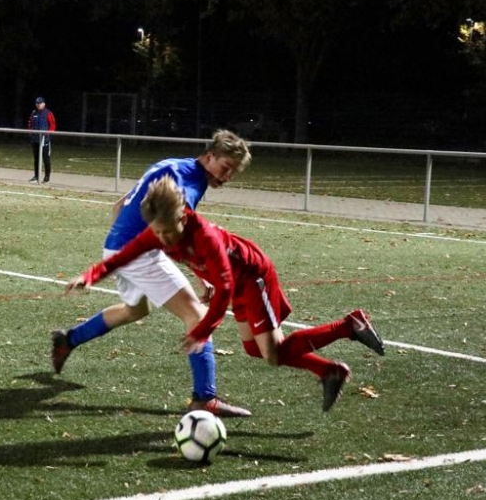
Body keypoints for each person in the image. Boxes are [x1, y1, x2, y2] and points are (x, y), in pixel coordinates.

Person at [66, 176, 386, 412]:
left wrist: (202, 331)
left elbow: (226, 290)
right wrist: (90, 276)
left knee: (272, 353)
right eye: (157, 232)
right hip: (234, 282)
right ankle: (329, 370)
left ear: (182, 217)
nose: (162, 239)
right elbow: (124, 256)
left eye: (167, 232)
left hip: (253, 279)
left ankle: (348, 327)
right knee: (254, 349)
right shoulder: (160, 231)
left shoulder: (206, 239)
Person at [50, 129, 252, 417]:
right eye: (226, 167)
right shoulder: (188, 182)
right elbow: (177, 232)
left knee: (135, 311)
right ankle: (204, 398)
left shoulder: (172, 165)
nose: (228, 176)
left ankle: (68, 339)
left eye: (233, 171)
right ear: (210, 156)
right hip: (138, 252)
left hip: (119, 246)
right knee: (196, 315)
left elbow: (119, 205)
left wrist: (118, 242)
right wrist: (200, 274)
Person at [28, 96, 56, 183]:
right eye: (37, 103)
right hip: (35, 139)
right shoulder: (34, 113)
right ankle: (36, 176)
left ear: (44, 104)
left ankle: (47, 177)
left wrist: (48, 133)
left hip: (44, 140)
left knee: (46, 158)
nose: (38, 105)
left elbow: (53, 125)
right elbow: (30, 124)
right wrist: (31, 133)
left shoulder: (48, 113)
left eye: (40, 103)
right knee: (36, 158)